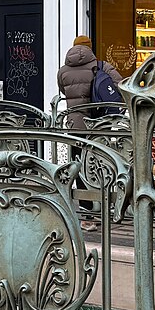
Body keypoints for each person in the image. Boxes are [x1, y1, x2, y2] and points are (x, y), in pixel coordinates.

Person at [56, 36, 120, 230]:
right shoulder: (101, 66)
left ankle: (86, 214)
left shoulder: (63, 71)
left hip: (76, 125)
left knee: (79, 166)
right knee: (103, 164)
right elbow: (119, 86)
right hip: (99, 125)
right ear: (91, 48)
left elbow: (63, 92)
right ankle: (107, 207)